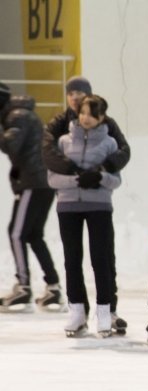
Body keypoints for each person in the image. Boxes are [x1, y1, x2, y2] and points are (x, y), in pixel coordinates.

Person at [42, 75, 130, 334]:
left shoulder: (109, 139)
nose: (85, 117)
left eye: (90, 113)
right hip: (68, 206)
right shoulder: (62, 137)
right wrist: (78, 178)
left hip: (98, 206)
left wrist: (100, 176)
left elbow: (117, 175)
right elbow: (51, 175)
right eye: (81, 112)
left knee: (101, 259)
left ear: (102, 117)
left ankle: (106, 311)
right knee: (72, 260)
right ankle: (77, 310)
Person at [0, 82, 62, 311]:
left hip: (33, 183)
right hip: (40, 182)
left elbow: (10, 145)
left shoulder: (18, 116)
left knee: (16, 233)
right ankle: (53, 286)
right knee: (33, 235)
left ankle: (24, 286)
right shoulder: (21, 114)